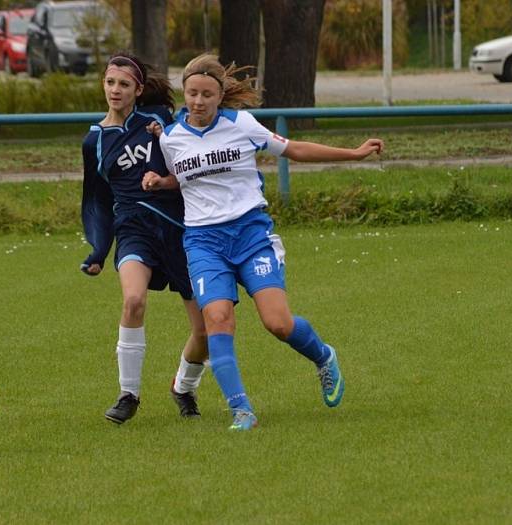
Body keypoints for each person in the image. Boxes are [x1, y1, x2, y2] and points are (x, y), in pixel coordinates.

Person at [142, 54, 384, 431]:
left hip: (251, 236)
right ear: (184, 93)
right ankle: (241, 410)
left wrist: (352, 153)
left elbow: (294, 149)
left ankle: (323, 357)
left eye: (207, 94)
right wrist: (161, 181)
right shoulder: (172, 137)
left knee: (278, 323)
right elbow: (186, 177)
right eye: (192, 93)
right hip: (204, 242)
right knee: (217, 318)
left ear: (220, 95)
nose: (198, 101)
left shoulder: (242, 125)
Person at [81, 52, 208, 425]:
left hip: (180, 228)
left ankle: (183, 387)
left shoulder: (159, 120)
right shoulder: (95, 141)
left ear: (138, 89)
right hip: (133, 228)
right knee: (133, 300)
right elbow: (96, 202)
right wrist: (99, 250)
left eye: (123, 84)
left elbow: (195, 150)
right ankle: (128, 395)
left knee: (204, 330)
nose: (115, 90)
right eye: (109, 82)